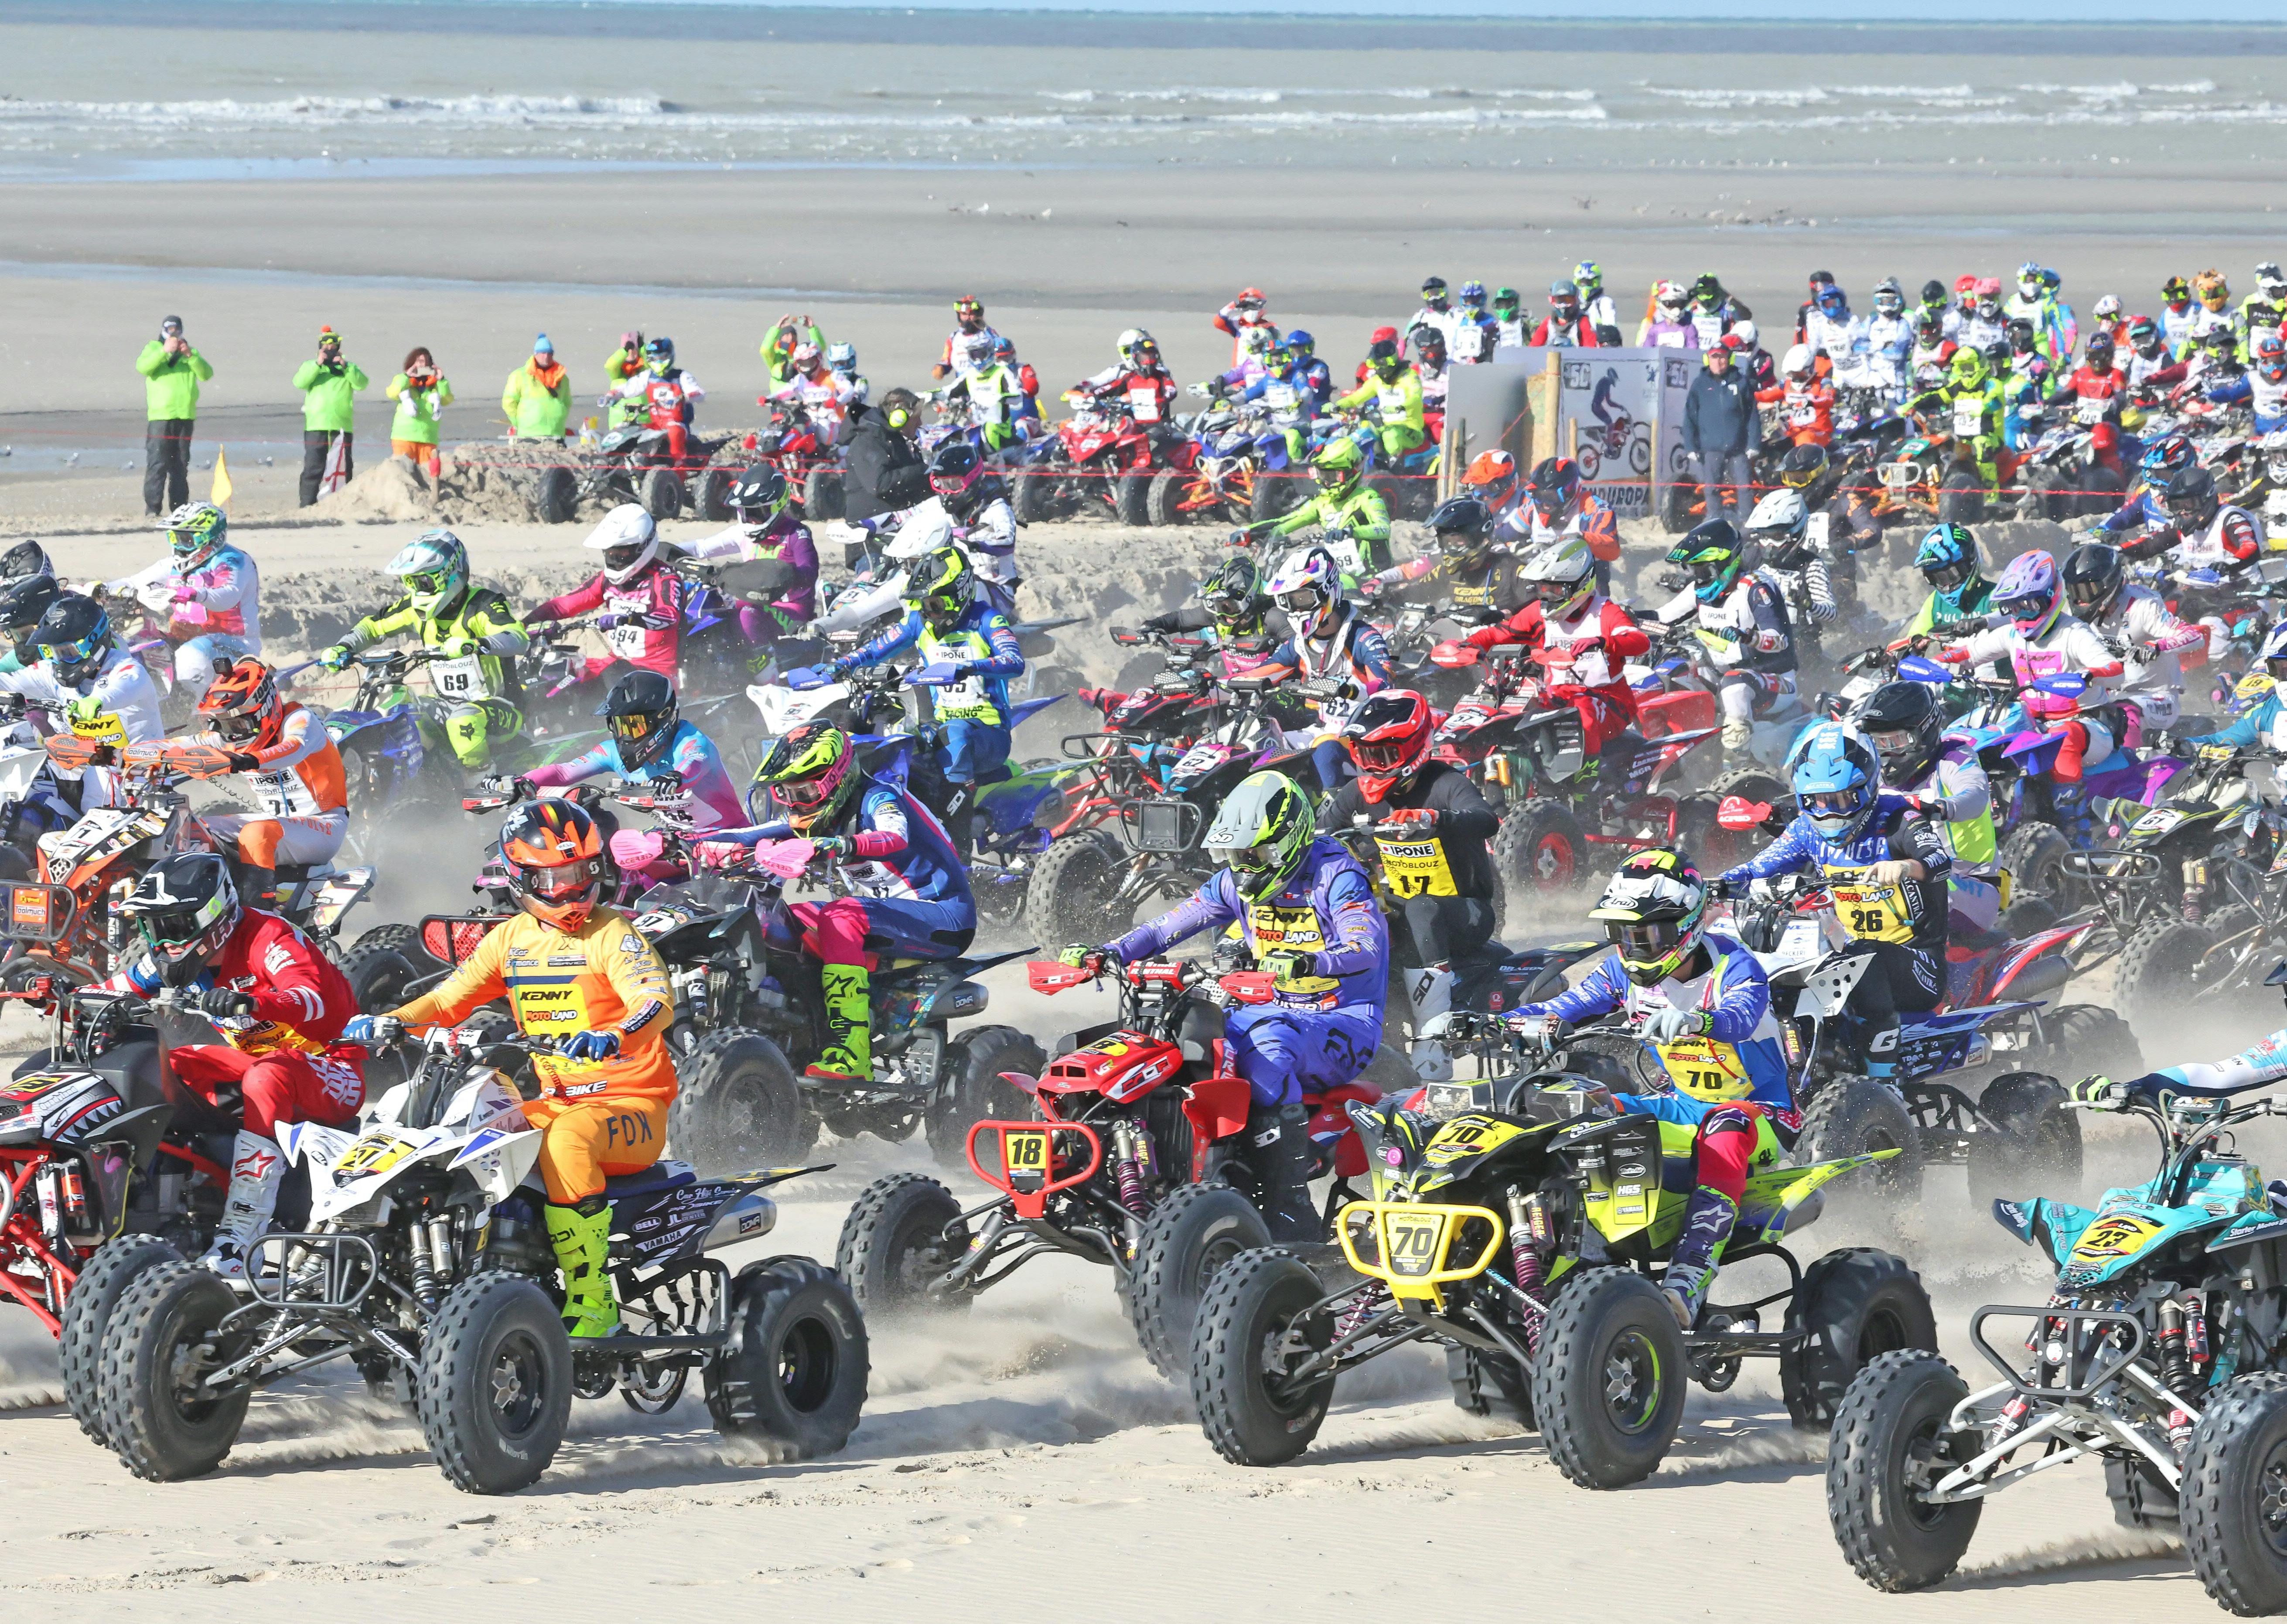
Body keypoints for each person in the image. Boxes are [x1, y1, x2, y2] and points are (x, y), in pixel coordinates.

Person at [363, 798, 676, 1339]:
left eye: (580, 873)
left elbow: (656, 1000)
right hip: (554, 1102)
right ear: (519, 878)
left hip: (633, 1106)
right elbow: (446, 1001)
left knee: (569, 1138)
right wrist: (388, 1021)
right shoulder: (510, 939)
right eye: (553, 878)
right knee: (462, 1133)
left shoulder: (613, 935)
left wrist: (613, 1035)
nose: (570, 890)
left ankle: (593, 1298)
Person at [1067, 770, 1385, 1241]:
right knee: (1178, 1041)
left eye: (1254, 856)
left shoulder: (1337, 875)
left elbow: (1368, 948)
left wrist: (1307, 961)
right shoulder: (1233, 883)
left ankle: (1290, 1206)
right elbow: (1165, 928)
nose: (1244, 868)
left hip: (1341, 1022)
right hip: (1265, 1009)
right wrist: (1112, 951)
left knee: (1267, 1050)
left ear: (1288, 841)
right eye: (1234, 857)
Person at [1507, 849, 1794, 1330]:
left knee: (1725, 1124)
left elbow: (1742, 1017)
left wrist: (1698, 1020)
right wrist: (1486, 1022)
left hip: (1761, 1113)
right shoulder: (1622, 971)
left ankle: (1688, 1281)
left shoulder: (1735, 966)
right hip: (1683, 1105)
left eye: (1645, 935)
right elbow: (1564, 1006)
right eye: (1622, 935)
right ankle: (1575, 1257)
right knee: (1580, 1104)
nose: (1633, 948)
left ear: (1685, 925)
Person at [90, 853, 365, 1279]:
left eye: (174, 927)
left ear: (213, 917)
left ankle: (241, 1241)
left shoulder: (269, 937)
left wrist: (255, 1001)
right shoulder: (172, 955)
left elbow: (311, 997)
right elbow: (110, 992)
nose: (161, 942)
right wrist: (56, 991)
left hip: (333, 1067)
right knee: (158, 1065)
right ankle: (146, 1202)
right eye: (153, 928)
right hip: (258, 1064)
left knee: (266, 1075)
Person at [698, 721, 977, 1085]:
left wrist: (840, 845)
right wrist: (679, 842)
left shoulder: (879, 795)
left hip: (944, 914)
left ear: (837, 778)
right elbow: (743, 834)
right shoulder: (813, 811)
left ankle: (852, 1052)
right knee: (784, 910)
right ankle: (801, 1028)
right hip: (888, 914)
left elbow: (894, 836)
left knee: (837, 916)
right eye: (787, 793)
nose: (797, 803)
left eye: (806, 790)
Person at [1717, 722, 1954, 1087]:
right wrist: (1711, 886)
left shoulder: (1900, 818)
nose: (1830, 812)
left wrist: (1906, 866)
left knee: (1865, 955)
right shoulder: (1806, 830)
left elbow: (1941, 862)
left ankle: (1884, 1082)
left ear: (1867, 788)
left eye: (1843, 799)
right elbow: (1755, 869)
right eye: (1819, 801)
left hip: (1919, 961)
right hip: (1846, 956)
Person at [1320, 689, 1498, 1082]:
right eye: (1365, 754)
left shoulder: (1445, 782)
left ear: (1413, 746)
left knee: (1421, 905)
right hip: (1398, 914)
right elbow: (1319, 836)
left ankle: (1434, 1041)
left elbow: (1488, 820)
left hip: (1465, 912)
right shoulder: (1356, 793)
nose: (1373, 765)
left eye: (1382, 755)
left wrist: (1438, 819)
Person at [831, 545, 1024, 856]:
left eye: (934, 604)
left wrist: (970, 667)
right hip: (937, 728)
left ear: (959, 595)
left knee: (957, 736)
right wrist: (841, 665)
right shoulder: (919, 624)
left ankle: (959, 856)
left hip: (988, 732)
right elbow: (875, 649)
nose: (927, 613)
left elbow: (1015, 662)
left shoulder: (987, 620)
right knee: (895, 746)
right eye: (921, 605)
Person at [317, 528, 531, 777]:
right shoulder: (415, 610)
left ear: (451, 575)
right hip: (445, 704)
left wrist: (476, 644)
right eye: (412, 582)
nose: (419, 589)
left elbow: (518, 638)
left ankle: (484, 781)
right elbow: (373, 626)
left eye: (425, 581)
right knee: (400, 716)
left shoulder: (483, 604)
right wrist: (343, 647)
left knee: (463, 722)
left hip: (502, 708)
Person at [1461, 533, 1649, 797]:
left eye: (1555, 589)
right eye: (1542, 588)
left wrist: (1603, 642)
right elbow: (1500, 633)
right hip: (1556, 698)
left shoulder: (1605, 612)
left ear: (1579, 585)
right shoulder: (1539, 612)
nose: (1547, 595)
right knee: (1506, 708)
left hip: (1608, 703)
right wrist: (1469, 645)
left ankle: (1588, 783)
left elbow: (1640, 641)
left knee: (1583, 708)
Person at [516, 670, 744, 887]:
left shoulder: (691, 741)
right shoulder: (612, 752)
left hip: (730, 844)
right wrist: (520, 782)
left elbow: (695, 763)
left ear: (662, 718)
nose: (625, 736)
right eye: (619, 726)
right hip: (674, 846)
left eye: (633, 726)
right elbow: (563, 772)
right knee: (614, 871)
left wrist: (676, 778)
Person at [1933, 550, 2124, 784]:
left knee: (2061, 739)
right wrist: (1937, 663)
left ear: (2050, 597)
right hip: (2034, 722)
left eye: (2029, 604)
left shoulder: (2073, 633)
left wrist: (2088, 676)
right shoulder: (2011, 634)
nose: (2022, 614)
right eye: (2014, 608)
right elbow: (1969, 654)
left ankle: (2074, 812)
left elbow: (2115, 670)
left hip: (2088, 723)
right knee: (1981, 735)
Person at [1852, 680, 2002, 942]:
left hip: (1968, 883)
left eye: (1896, 741)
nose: (1886, 753)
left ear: (1925, 733)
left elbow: (1976, 795)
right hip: (1892, 876)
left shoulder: (1954, 757)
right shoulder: (1872, 771)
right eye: (1877, 743)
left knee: (1909, 890)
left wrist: (1941, 807)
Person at [194, 657, 350, 906]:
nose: (230, 731)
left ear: (263, 710)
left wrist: (249, 759)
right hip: (279, 824)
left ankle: (261, 916)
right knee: (195, 830)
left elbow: (294, 748)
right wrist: (120, 754)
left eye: (237, 722)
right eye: (223, 723)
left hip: (325, 825)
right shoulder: (229, 738)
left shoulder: (300, 720)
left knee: (257, 834)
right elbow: (180, 745)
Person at [0, 592, 165, 812]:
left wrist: (98, 701)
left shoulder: (126, 669)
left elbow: (123, 688)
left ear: (95, 642)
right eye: (53, 652)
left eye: (68, 652)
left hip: (142, 776)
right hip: (92, 774)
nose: (61, 661)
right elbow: (7, 681)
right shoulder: (51, 672)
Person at [99, 500, 262, 710]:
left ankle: (196, 714)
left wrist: (195, 594)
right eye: (175, 538)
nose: (179, 546)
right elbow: (134, 581)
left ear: (209, 537)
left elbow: (227, 596)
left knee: (190, 656)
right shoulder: (173, 564)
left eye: (186, 539)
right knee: (136, 644)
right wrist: (99, 590)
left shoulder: (233, 560)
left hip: (234, 644)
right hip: (182, 637)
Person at [1656, 518, 1798, 755]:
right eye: (1693, 570)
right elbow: (1662, 618)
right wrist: (1625, 615)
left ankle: (1738, 758)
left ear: (1724, 563)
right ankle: (1691, 751)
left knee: (1734, 684)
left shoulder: (1756, 588)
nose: (1699, 578)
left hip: (1775, 682)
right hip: (1720, 675)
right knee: (1674, 673)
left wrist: (1748, 637)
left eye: (1703, 570)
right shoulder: (1698, 591)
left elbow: (1780, 640)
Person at [524, 504, 699, 687]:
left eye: (622, 553)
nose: (615, 559)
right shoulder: (606, 580)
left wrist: (628, 619)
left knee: (616, 672)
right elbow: (563, 605)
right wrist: (526, 624)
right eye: (610, 553)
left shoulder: (665, 579)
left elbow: (670, 616)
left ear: (642, 547)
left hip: (656, 674)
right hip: (615, 665)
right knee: (559, 671)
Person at [1260, 546, 1390, 790]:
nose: (1296, 609)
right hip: (1320, 729)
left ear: (1327, 592)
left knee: (1326, 748)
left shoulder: (1363, 637)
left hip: (1363, 738)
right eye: (1288, 601)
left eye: (1302, 599)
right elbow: (1259, 674)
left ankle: (1330, 818)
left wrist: (1349, 690)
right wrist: (1206, 682)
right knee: (1262, 745)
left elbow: (1385, 687)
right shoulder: (1298, 644)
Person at [2062, 540, 2205, 745]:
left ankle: (2131, 769)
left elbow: (2194, 636)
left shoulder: (2144, 606)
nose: (2080, 602)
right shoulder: (2072, 611)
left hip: (2158, 697)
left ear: (2108, 585)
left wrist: (2157, 647)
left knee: (2123, 713)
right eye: (2074, 592)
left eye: (2085, 591)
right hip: (2108, 695)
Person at [678, 464, 819, 643]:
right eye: (745, 512)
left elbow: (809, 573)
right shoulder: (741, 533)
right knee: (710, 613)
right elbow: (701, 548)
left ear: (777, 506)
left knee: (747, 614)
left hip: (791, 610)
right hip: (755, 604)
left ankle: (761, 665)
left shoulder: (797, 534)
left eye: (756, 512)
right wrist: (658, 550)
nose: (750, 519)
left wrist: (785, 576)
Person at [1363, 495, 1529, 623]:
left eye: (1458, 541)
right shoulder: (1448, 572)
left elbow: (1536, 610)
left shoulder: (1511, 569)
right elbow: (1415, 592)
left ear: (1479, 537)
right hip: (1457, 649)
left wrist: (1505, 614)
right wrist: (1381, 602)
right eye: (1446, 542)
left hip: (1499, 653)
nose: (1450, 549)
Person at [1259, 437, 1393, 576]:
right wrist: (1250, 531)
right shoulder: (1322, 503)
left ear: (1350, 472)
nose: (1327, 482)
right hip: (1339, 576)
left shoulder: (1368, 498)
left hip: (1373, 577)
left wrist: (1351, 532)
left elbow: (1383, 529)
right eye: (1323, 476)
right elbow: (1284, 522)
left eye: (1332, 476)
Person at [921, 437, 1020, 599]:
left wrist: (979, 545)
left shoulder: (996, 507)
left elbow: (1008, 542)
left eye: (953, 485)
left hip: (998, 589)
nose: (946, 493)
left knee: (970, 590)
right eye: (940, 484)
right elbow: (903, 515)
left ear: (972, 480)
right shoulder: (938, 504)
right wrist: (869, 525)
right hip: (956, 582)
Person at [1505, 456, 1620, 593]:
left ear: (1569, 491)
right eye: (1539, 495)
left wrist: (1582, 539)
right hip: (1541, 578)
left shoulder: (1594, 508)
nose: (1545, 504)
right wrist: (1511, 546)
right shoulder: (1531, 507)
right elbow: (1503, 534)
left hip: (1584, 579)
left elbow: (1612, 550)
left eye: (1551, 496)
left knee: (1596, 592)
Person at [137, 314, 211, 516]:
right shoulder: (153, 348)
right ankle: (153, 508)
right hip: (161, 416)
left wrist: (190, 356)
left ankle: (180, 508)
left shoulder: (190, 352)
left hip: (185, 416)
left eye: (177, 330)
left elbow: (206, 374)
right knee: (158, 463)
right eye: (170, 330)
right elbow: (143, 367)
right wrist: (164, 352)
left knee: (180, 465)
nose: (174, 334)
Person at [1329, 334, 1427, 482]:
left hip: (1410, 430)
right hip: (1383, 427)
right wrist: (1339, 405)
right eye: (1377, 364)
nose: (1380, 368)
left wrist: (1402, 407)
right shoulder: (1377, 381)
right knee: (1362, 433)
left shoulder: (1409, 377)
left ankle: (1397, 479)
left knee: (1391, 436)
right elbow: (1358, 397)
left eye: (1383, 363)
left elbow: (1415, 397)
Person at [1910, 346, 2006, 495]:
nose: (1966, 372)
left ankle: (1991, 494)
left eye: (1969, 367)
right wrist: (1912, 405)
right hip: (1961, 437)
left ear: (1980, 365)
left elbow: (1995, 401)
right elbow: (1939, 396)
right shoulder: (1958, 386)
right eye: (1962, 368)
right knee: (1937, 444)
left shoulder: (1992, 384)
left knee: (1981, 445)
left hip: (1990, 437)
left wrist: (1983, 408)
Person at [1743, 488, 1838, 635]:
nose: (1769, 544)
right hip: (1760, 639)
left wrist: (1808, 603)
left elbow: (1831, 613)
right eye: (1764, 536)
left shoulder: (1811, 565)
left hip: (1799, 643)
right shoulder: (1754, 557)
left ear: (1796, 533)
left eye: (1776, 536)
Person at [1683, 337, 1757, 521]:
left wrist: (1754, 444)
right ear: (1708, 360)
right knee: (1712, 489)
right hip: (1711, 449)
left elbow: (1752, 416)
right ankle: (1715, 521)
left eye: (1723, 357)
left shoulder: (1741, 383)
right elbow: (1690, 418)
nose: (1719, 361)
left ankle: (1747, 526)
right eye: (1715, 357)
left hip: (1738, 448)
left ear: (1729, 359)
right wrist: (1691, 447)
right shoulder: (1700, 385)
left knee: (1745, 488)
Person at [292, 325, 367, 506]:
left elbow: (362, 384)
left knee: (342, 468)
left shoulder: (348, 368)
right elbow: (299, 382)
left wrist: (345, 367)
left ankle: (340, 504)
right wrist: (318, 364)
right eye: (326, 348)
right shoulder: (311, 367)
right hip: (316, 426)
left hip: (342, 427)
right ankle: (307, 505)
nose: (330, 352)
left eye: (334, 348)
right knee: (313, 467)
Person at [843, 387, 932, 522]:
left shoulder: (894, 439)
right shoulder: (868, 441)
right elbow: (879, 485)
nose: (920, 423)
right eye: (916, 418)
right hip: (870, 529)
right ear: (900, 419)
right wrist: (923, 470)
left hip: (896, 520)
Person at [605, 337, 703, 457]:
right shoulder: (648, 376)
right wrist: (613, 395)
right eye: (654, 358)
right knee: (624, 429)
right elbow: (628, 388)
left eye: (662, 358)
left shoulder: (682, 376)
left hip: (678, 423)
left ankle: (679, 466)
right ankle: (616, 460)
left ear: (670, 357)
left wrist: (683, 398)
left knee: (674, 431)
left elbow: (698, 394)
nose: (658, 362)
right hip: (655, 423)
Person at [1899, 522, 1996, 640]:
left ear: (1968, 564)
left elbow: (2014, 623)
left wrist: (1986, 621)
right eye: (1936, 578)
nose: (1946, 585)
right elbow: (1913, 639)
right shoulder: (1936, 602)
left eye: (1950, 576)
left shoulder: (1995, 595)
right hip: (1950, 658)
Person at [768, 341, 860, 445]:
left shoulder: (833, 376)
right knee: (792, 430)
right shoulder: (800, 379)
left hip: (831, 418)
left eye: (809, 363)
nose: (806, 368)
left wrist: (837, 401)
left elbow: (849, 390)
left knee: (825, 429)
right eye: (802, 364)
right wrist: (769, 399)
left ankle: (831, 453)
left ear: (818, 360)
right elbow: (786, 391)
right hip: (808, 418)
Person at [385, 346, 453, 478]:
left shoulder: (434, 385)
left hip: (428, 437)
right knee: (404, 474)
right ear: (411, 363)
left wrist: (442, 380)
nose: (422, 365)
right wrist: (407, 377)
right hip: (404, 436)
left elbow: (446, 400)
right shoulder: (403, 380)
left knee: (428, 476)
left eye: (425, 362)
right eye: (419, 361)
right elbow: (392, 393)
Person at [2204, 331, 2287, 435]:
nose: (2274, 364)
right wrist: (2206, 398)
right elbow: (2231, 393)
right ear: (2262, 359)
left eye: (2278, 359)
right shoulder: (2253, 377)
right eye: (2270, 360)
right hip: (2261, 431)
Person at [1761, 344, 1836, 447]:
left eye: (1800, 374)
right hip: (1791, 431)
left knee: (1804, 439)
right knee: (1769, 440)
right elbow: (1766, 396)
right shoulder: (1785, 384)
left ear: (1810, 368)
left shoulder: (1824, 383)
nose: (1796, 377)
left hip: (1817, 432)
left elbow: (1828, 399)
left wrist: (1812, 402)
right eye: (1793, 374)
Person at [501, 334, 573, 442]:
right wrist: (518, 422)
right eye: (543, 353)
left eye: (549, 353)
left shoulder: (562, 378)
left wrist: (560, 416)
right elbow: (509, 402)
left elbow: (567, 402)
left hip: (555, 432)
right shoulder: (520, 376)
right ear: (536, 354)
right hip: (529, 433)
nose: (546, 357)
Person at [932, 296, 1000, 380]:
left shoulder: (987, 334)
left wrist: (985, 329)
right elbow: (947, 361)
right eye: (964, 314)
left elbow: (1002, 349)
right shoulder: (954, 337)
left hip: (985, 380)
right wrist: (941, 369)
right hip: (962, 383)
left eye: (971, 314)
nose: (968, 318)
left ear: (979, 315)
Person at [759, 312, 827, 394]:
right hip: (779, 396)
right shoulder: (775, 356)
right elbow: (765, 350)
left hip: (801, 394)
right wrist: (776, 329)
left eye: (793, 335)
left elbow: (819, 349)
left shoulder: (801, 353)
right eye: (787, 335)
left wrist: (812, 329)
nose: (791, 337)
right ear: (781, 337)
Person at [1213, 286, 1278, 367]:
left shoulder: (1269, 326)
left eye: (1253, 306)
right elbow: (1218, 323)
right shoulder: (1238, 324)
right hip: (1239, 372)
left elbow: (1276, 350)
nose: (1250, 310)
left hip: (1260, 371)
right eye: (1246, 306)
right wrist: (1231, 307)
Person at [1531, 280, 1603, 348]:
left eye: (1568, 300)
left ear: (1576, 300)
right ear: (1552, 300)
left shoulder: (1583, 322)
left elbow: (1592, 350)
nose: (1564, 305)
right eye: (1560, 300)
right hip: (1553, 359)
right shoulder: (1548, 322)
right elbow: (1533, 349)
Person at [1448, 281, 1501, 365]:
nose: (1471, 305)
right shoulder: (1459, 322)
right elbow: (1452, 346)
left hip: (1483, 362)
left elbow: (1496, 347)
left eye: (1475, 301)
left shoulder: (1490, 321)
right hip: (1462, 363)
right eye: (1468, 301)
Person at [1574, 260, 1624, 345]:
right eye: (1582, 282)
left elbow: (1610, 329)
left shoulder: (1605, 302)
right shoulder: (1573, 302)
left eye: (1589, 283)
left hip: (1597, 348)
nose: (1585, 286)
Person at [1638, 280, 1698, 348]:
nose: (1676, 309)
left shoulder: (1689, 328)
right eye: (1671, 304)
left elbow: (1693, 352)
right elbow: (1647, 352)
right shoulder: (1655, 329)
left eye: (1679, 305)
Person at [1403, 276, 1456, 351]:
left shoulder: (1457, 314)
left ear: (1445, 293)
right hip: (1429, 360)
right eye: (1429, 295)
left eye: (1437, 293)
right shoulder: (1421, 317)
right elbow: (1405, 341)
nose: (1433, 298)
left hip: (1456, 361)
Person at [826, 341, 871, 409]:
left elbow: (855, 402)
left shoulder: (860, 381)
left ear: (851, 361)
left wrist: (837, 402)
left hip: (852, 416)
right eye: (838, 364)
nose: (841, 367)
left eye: (843, 363)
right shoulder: (827, 380)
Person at [1489, 286, 1531, 350]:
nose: (1504, 308)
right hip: (1501, 359)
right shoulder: (1494, 328)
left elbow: (1537, 344)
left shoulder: (1528, 324)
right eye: (1501, 305)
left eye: (1507, 305)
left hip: (1524, 357)